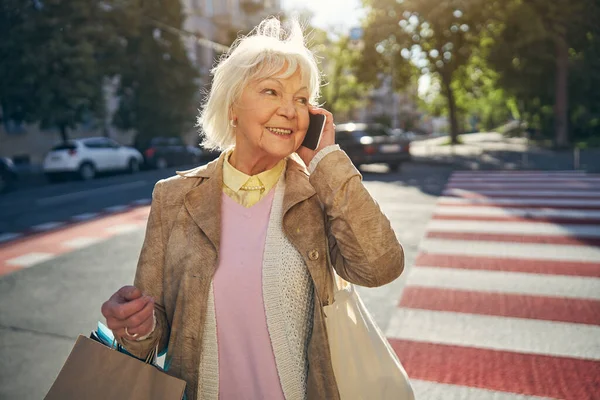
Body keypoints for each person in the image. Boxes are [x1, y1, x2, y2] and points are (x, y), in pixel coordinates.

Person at [101, 17, 404, 400]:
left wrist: (326, 158)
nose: (290, 111)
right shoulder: (173, 197)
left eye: (300, 98)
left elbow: (381, 267)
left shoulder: (317, 191)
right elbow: (152, 335)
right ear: (232, 107)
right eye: (271, 91)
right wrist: (136, 325)